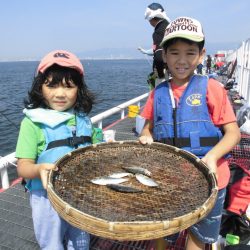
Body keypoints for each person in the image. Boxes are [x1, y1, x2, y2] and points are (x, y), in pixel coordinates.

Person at [139, 17, 241, 250]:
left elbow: (233, 133)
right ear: (164, 56)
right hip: (168, 180)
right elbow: (148, 127)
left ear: (201, 55)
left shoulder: (212, 88)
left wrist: (213, 157)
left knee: (198, 236)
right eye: (174, 53)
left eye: (190, 52)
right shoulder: (158, 93)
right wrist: (146, 135)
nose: (182, 60)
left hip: (210, 179)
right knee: (163, 229)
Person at [16, 50, 96, 249]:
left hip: (80, 193)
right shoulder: (32, 124)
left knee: (80, 242)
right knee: (51, 244)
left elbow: (94, 148)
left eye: (69, 86)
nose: (60, 93)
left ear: (79, 89)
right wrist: (39, 169)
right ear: (40, 87)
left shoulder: (83, 119)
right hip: (46, 199)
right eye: (52, 85)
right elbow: (23, 167)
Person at [138, 3, 171, 87]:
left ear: (151, 19)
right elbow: (158, 49)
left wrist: (160, 75)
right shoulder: (168, 26)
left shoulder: (158, 31)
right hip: (171, 71)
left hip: (164, 75)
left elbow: (159, 55)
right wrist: (144, 51)